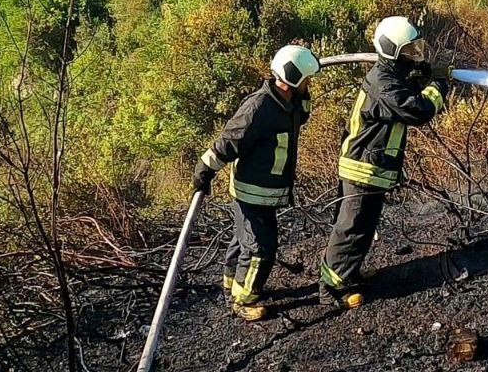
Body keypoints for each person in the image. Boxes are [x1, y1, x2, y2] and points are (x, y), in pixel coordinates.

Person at [319, 16, 449, 308]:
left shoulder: (390, 76)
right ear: (392, 50)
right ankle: (331, 289)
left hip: (372, 167)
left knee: (363, 227)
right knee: (351, 228)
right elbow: (418, 110)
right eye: (409, 51)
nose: (414, 55)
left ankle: (348, 273)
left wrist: (418, 75)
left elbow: (403, 91)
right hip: (362, 168)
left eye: (416, 49)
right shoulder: (384, 84)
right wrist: (437, 86)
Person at [191, 44, 320, 321]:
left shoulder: (289, 104)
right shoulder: (258, 107)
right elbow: (229, 141)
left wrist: (306, 91)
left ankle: (231, 287)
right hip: (252, 192)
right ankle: (243, 298)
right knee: (260, 249)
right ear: (293, 78)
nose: (308, 85)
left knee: (243, 240)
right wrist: (205, 169)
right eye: (306, 80)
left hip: (266, 191)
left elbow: (304, 116)